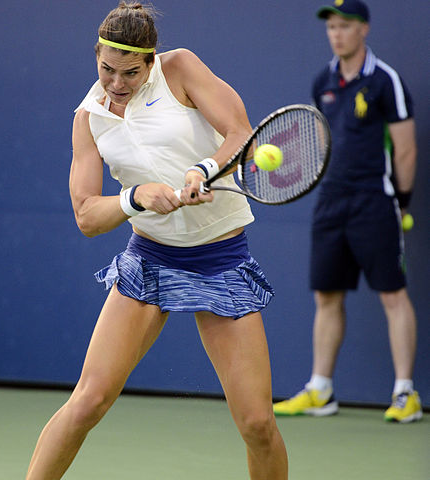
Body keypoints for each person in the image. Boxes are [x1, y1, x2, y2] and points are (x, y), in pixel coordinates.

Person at [26, 2, 288, 478]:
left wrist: (202, 169)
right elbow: (86, 215)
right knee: (88, 402)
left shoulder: (180, 68)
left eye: (129, 72)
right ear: (96, 56)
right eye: (107, 69)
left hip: (221, 259)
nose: (116, 83)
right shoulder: (87, 118)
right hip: (148, 260)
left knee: (257, 423)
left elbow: (239, 132)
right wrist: (135, 198)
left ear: (151, 60)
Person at [273, 0, 422, 423]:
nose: (336, 33)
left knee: (393, 295)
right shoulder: (323, 80)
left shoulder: (385, 81)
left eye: (345, 26)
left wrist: (402, 201)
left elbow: (406, 148)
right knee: (326, 295)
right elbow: (322, 144)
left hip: (375, 200)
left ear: (363, 30)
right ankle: (321, 389)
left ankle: (404, 394)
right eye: (331, 26)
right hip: (331, 203)